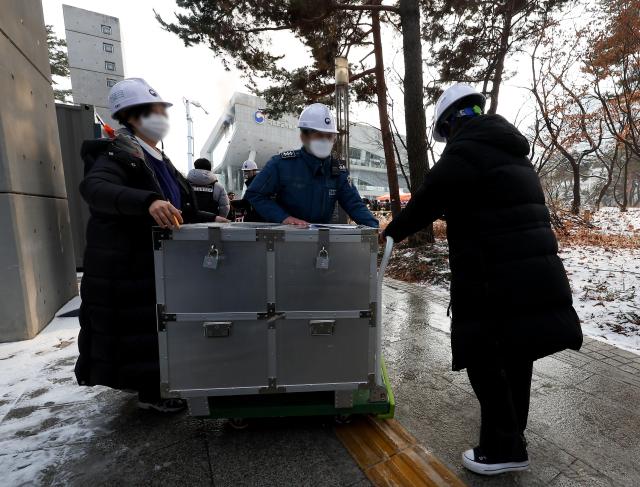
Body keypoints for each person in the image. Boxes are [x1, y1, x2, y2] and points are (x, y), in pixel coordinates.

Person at [381, 83, 583, 476]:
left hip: (494, 278)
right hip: (533, 273)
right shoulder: (511, 151)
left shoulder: (466, 151)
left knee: (483, 356)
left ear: (451, 123)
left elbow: (426, 200)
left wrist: (390, 232)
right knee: (516, 354)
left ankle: (504, 447)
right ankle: (511, 437)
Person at [75, 78, 222, 413]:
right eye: (155, 111)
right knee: (142, 329)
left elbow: (179, 209)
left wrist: (212, 220)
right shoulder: (119, 151)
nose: (161, 117)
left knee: (158, 327)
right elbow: (95, 189)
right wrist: (146, 202)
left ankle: (163, 380)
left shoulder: (157, 157)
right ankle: (152, 392)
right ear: (132, 115)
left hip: (158, 260)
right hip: (130, 261)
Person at [245, 103, 378, 227]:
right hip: (287, 239)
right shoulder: (281, 164)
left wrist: (374, 228)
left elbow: (354, 204)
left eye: (330, 136)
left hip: (321, 242)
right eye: (319, 135)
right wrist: (283, 218)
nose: (325, 141)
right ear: (304, 137)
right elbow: (255, 194)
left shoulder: (337, 170)